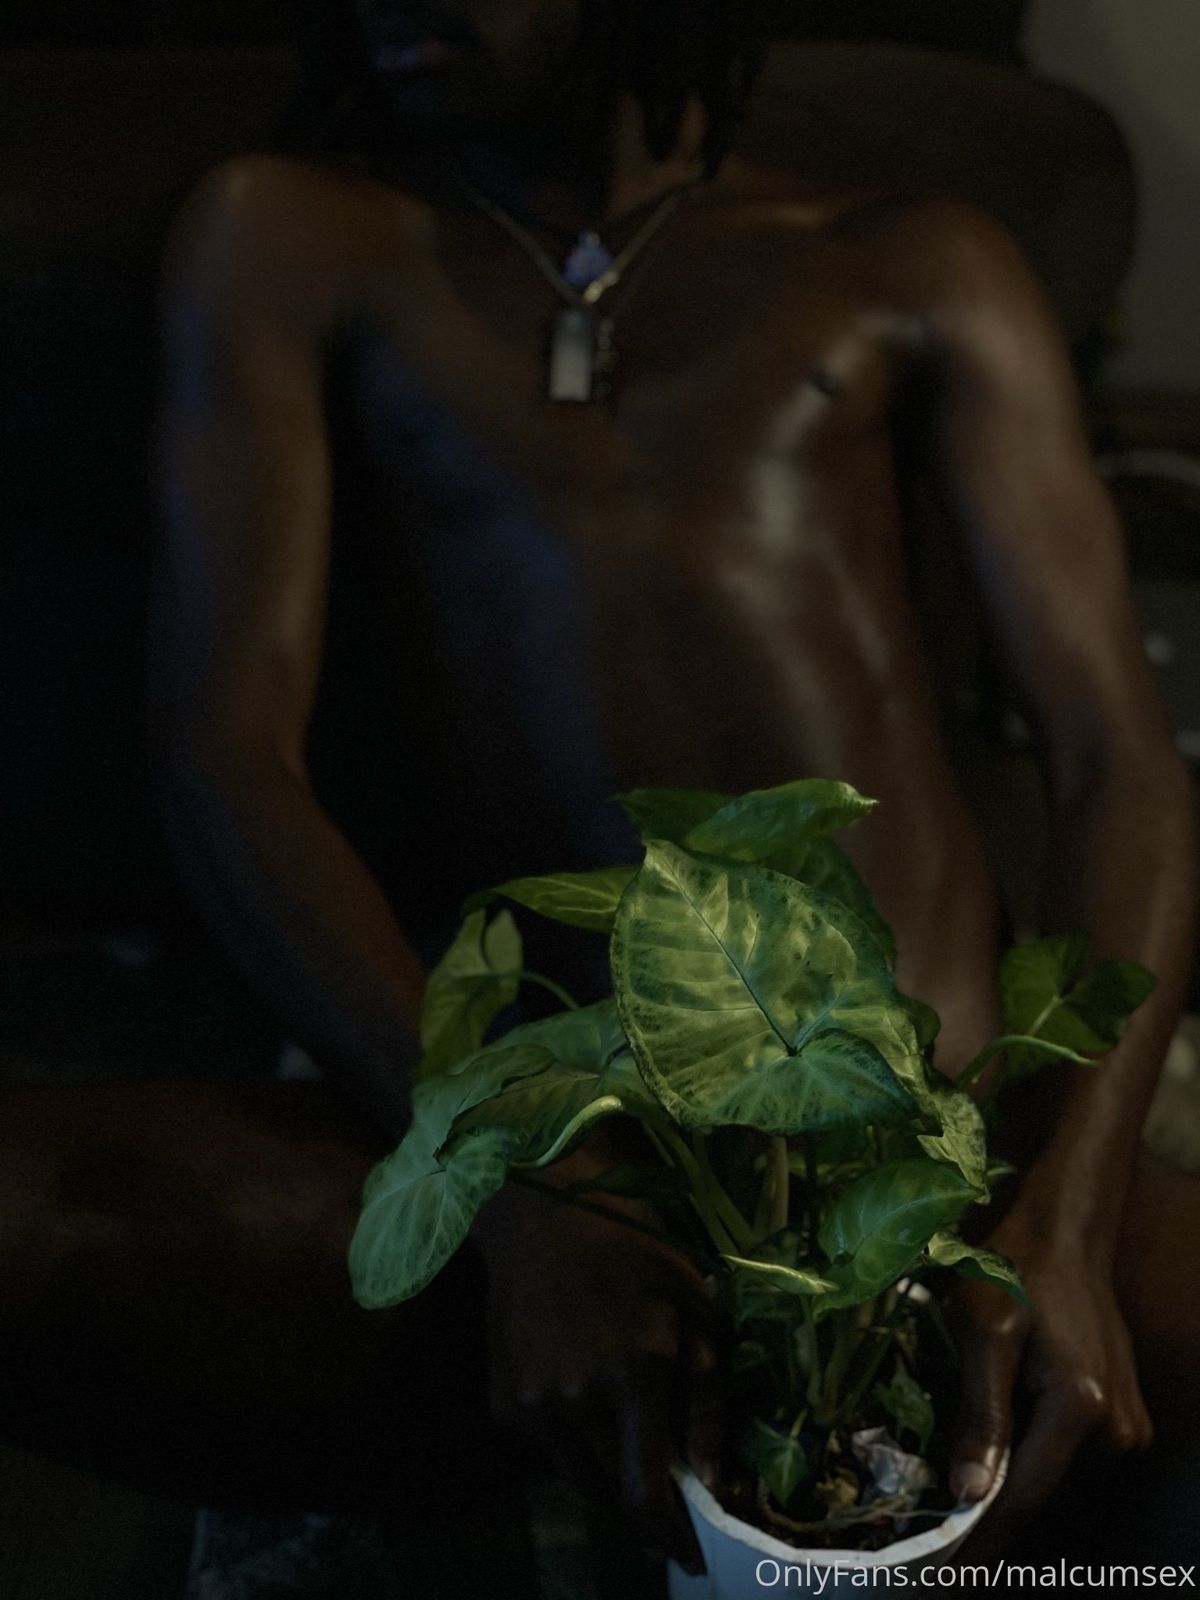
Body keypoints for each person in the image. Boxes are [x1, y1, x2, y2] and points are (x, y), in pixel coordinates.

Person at [4, 0, 1195, 1571]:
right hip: (570, 1148)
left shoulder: (914, 259)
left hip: (938, 1148)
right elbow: (229, 759)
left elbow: (1115, 754)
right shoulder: (296, 235)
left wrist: (1066, 1217)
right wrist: (523, 1196)